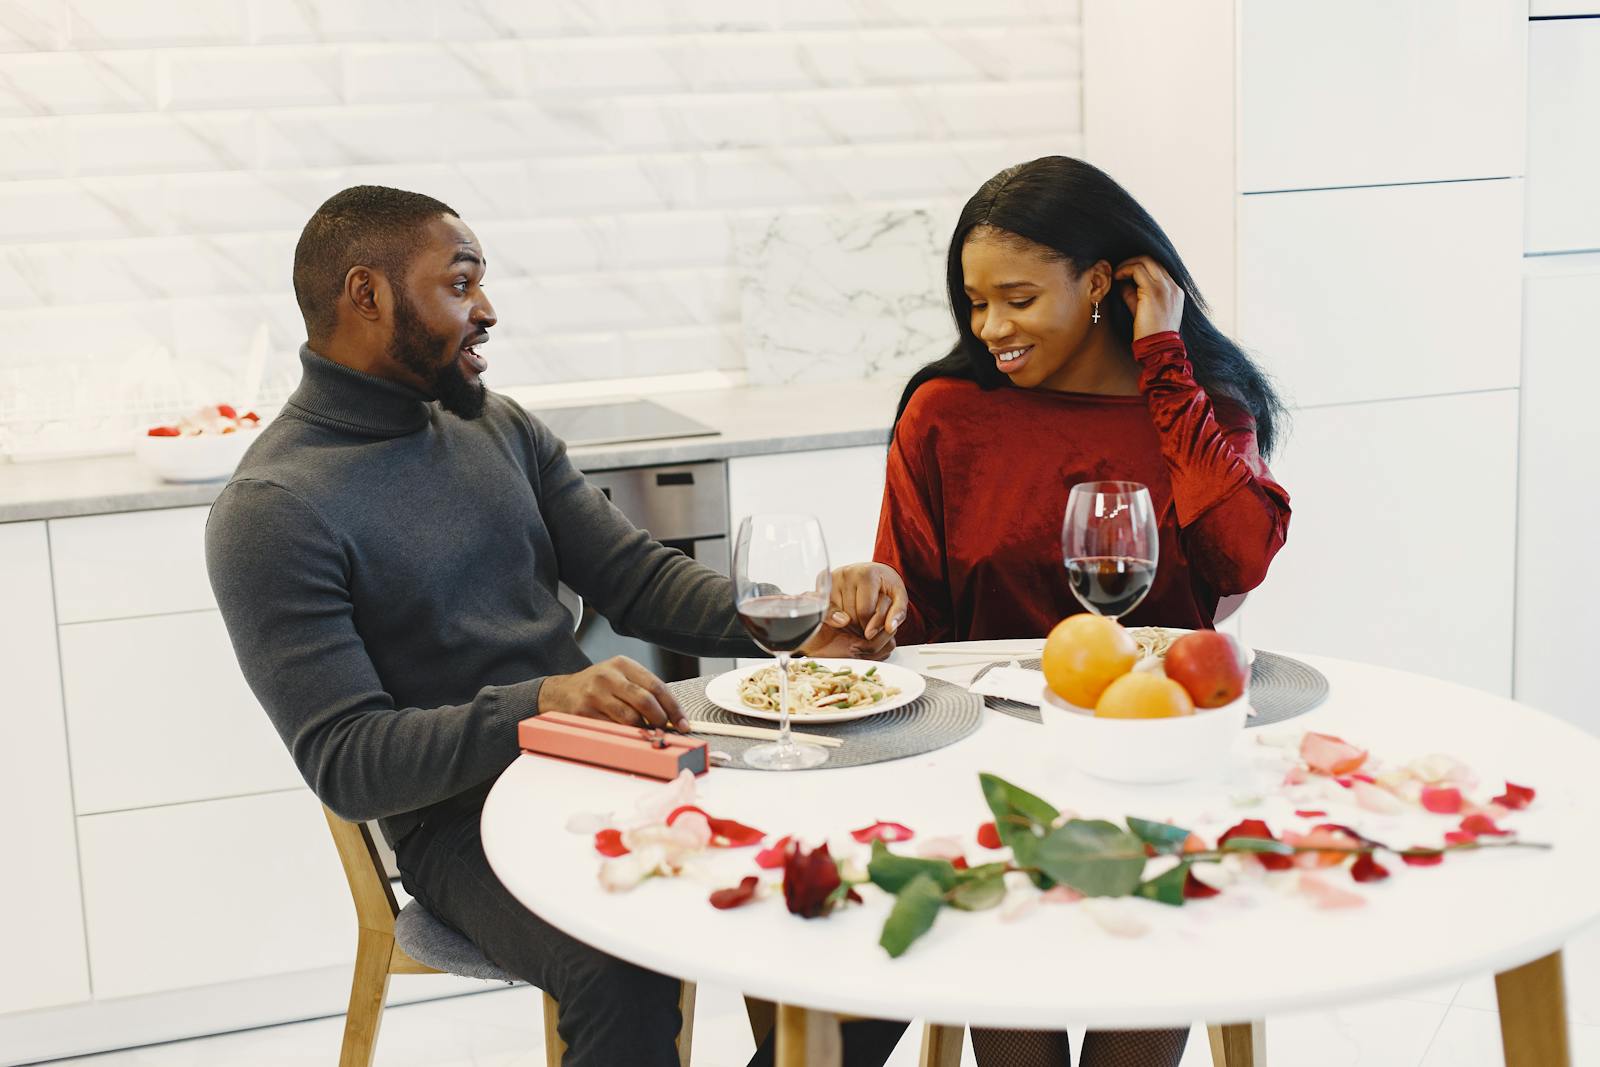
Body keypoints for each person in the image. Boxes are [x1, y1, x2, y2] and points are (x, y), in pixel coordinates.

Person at [206, 185, 909, 1067]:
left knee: (859, 903)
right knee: (623, 965)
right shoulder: (273, 508)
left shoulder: (495, 425)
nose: (487, 309)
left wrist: (801, 625)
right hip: (461, 822)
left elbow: (638, 577)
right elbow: (349, 761)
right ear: (368, 294)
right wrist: (541, 701)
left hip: (616, 765)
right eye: (461, 285)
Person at [874, 157, 1292, 1065]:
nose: (991, 329)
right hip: (990, 770)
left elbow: (1240, 558)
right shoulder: (945, 414)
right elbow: (909, 622)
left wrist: (1163, 362)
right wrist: (862, 608)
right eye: (976, 303)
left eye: (1017, 299)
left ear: (1104, 281)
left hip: (1159, 763)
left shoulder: (1199, 404)